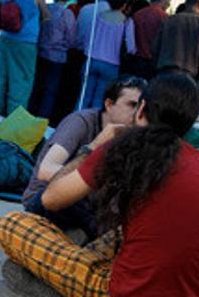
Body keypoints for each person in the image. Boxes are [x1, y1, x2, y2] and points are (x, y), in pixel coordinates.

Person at [0, 74, 199, 297]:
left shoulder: (126, 146)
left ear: (142, 110)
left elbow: (50, 199)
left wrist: (95, 146)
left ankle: (64, 287)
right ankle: (65, 274)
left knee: (12, 224)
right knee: (117, 233)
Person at [22, 76, 147, 239]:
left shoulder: (131, 136)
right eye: (131, 105)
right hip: (47, 201)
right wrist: (94, 146)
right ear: (109, 105)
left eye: (142, 107)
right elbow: (45, 170)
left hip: (88, 207)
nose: (137, 113)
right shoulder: (81, 122)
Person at [0, 0, 49, 116]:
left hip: (5, 37)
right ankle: (14, 118)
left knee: (1, 76)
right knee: (21, 81)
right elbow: (45, 14)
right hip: (26, 41)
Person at [29, 0, 77, 120]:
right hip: (58, 56)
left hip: (40, 52)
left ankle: (28, 114)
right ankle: (42, 120)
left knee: (36, 86)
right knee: (50, 92)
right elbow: (71, 38)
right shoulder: (67, 14)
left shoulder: (46, 8)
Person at [80, 0, 134, 109]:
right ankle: (93, 125)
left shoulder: (98, 16)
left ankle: (75, 121)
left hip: (92, 60)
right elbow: (131, 48)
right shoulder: (127, 22)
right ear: (125, 4)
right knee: (99, 101)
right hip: (112, 64)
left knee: (83, 97)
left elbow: (88, 37)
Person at [151, 0, 199, 79]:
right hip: (189, 73)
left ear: (186, 2)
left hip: (165, 70)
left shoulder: (169, 20)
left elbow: (155, 47)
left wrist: (157, 66)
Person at [126, 0, 171, 79]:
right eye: (169, 0)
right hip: (154, 62)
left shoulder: (137, 15)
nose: (169, 4)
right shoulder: (165, 17)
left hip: (136, 61)